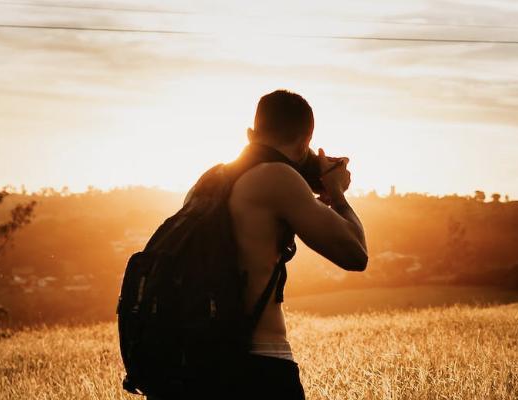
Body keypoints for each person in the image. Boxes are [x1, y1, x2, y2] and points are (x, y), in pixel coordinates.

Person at [151, 89, 367, 399]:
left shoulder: (210, 182)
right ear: (306, 143)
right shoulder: (278, 177)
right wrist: (337, 192)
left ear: (250, 134)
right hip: (259, 365)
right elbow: (355, 254)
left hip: (195, 367)